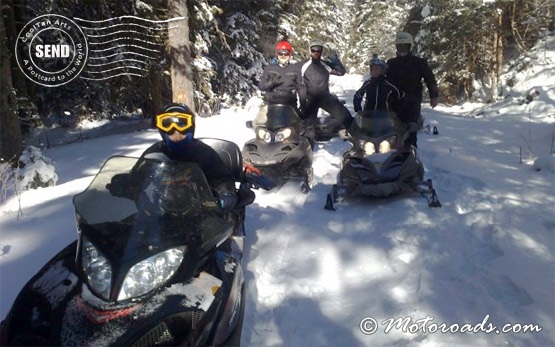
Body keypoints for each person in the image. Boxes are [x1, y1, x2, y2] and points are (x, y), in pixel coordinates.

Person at [140, 103, 238, 211]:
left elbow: (221, 177)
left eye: (182, 124)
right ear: (161, 129)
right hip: (161, 211)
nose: (176, 133)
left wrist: (225, 191)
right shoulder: (153, 153)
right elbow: (136, 179)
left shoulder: (203, 152)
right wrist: (131, 190)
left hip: (200, 211)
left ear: (191, 126)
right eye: (167, 124)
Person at [386, 32, 439, 147]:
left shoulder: (419, 63)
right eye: (400, 46)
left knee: (411, 129)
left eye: (404, 46)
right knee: (392, 128)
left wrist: (434, 96)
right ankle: (392, 153)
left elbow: (430, 79)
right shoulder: (391, 63)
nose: (402, 49)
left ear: (410, 47)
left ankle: (411, 153)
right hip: (394, 102)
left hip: (412, 101)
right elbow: (383, 81)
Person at [299, 38, 352, 134]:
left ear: (321, 51)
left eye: (318, 50)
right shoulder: (303, 65)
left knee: (344, 114)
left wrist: (337, 62)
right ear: (310, 51)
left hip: (325, 97)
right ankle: (307, 142)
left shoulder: (325, 64)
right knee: (307, 124)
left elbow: (341, 72)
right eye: (313, 50)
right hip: (310, 99)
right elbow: (290, 73)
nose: (316, 52)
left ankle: (355, 135)